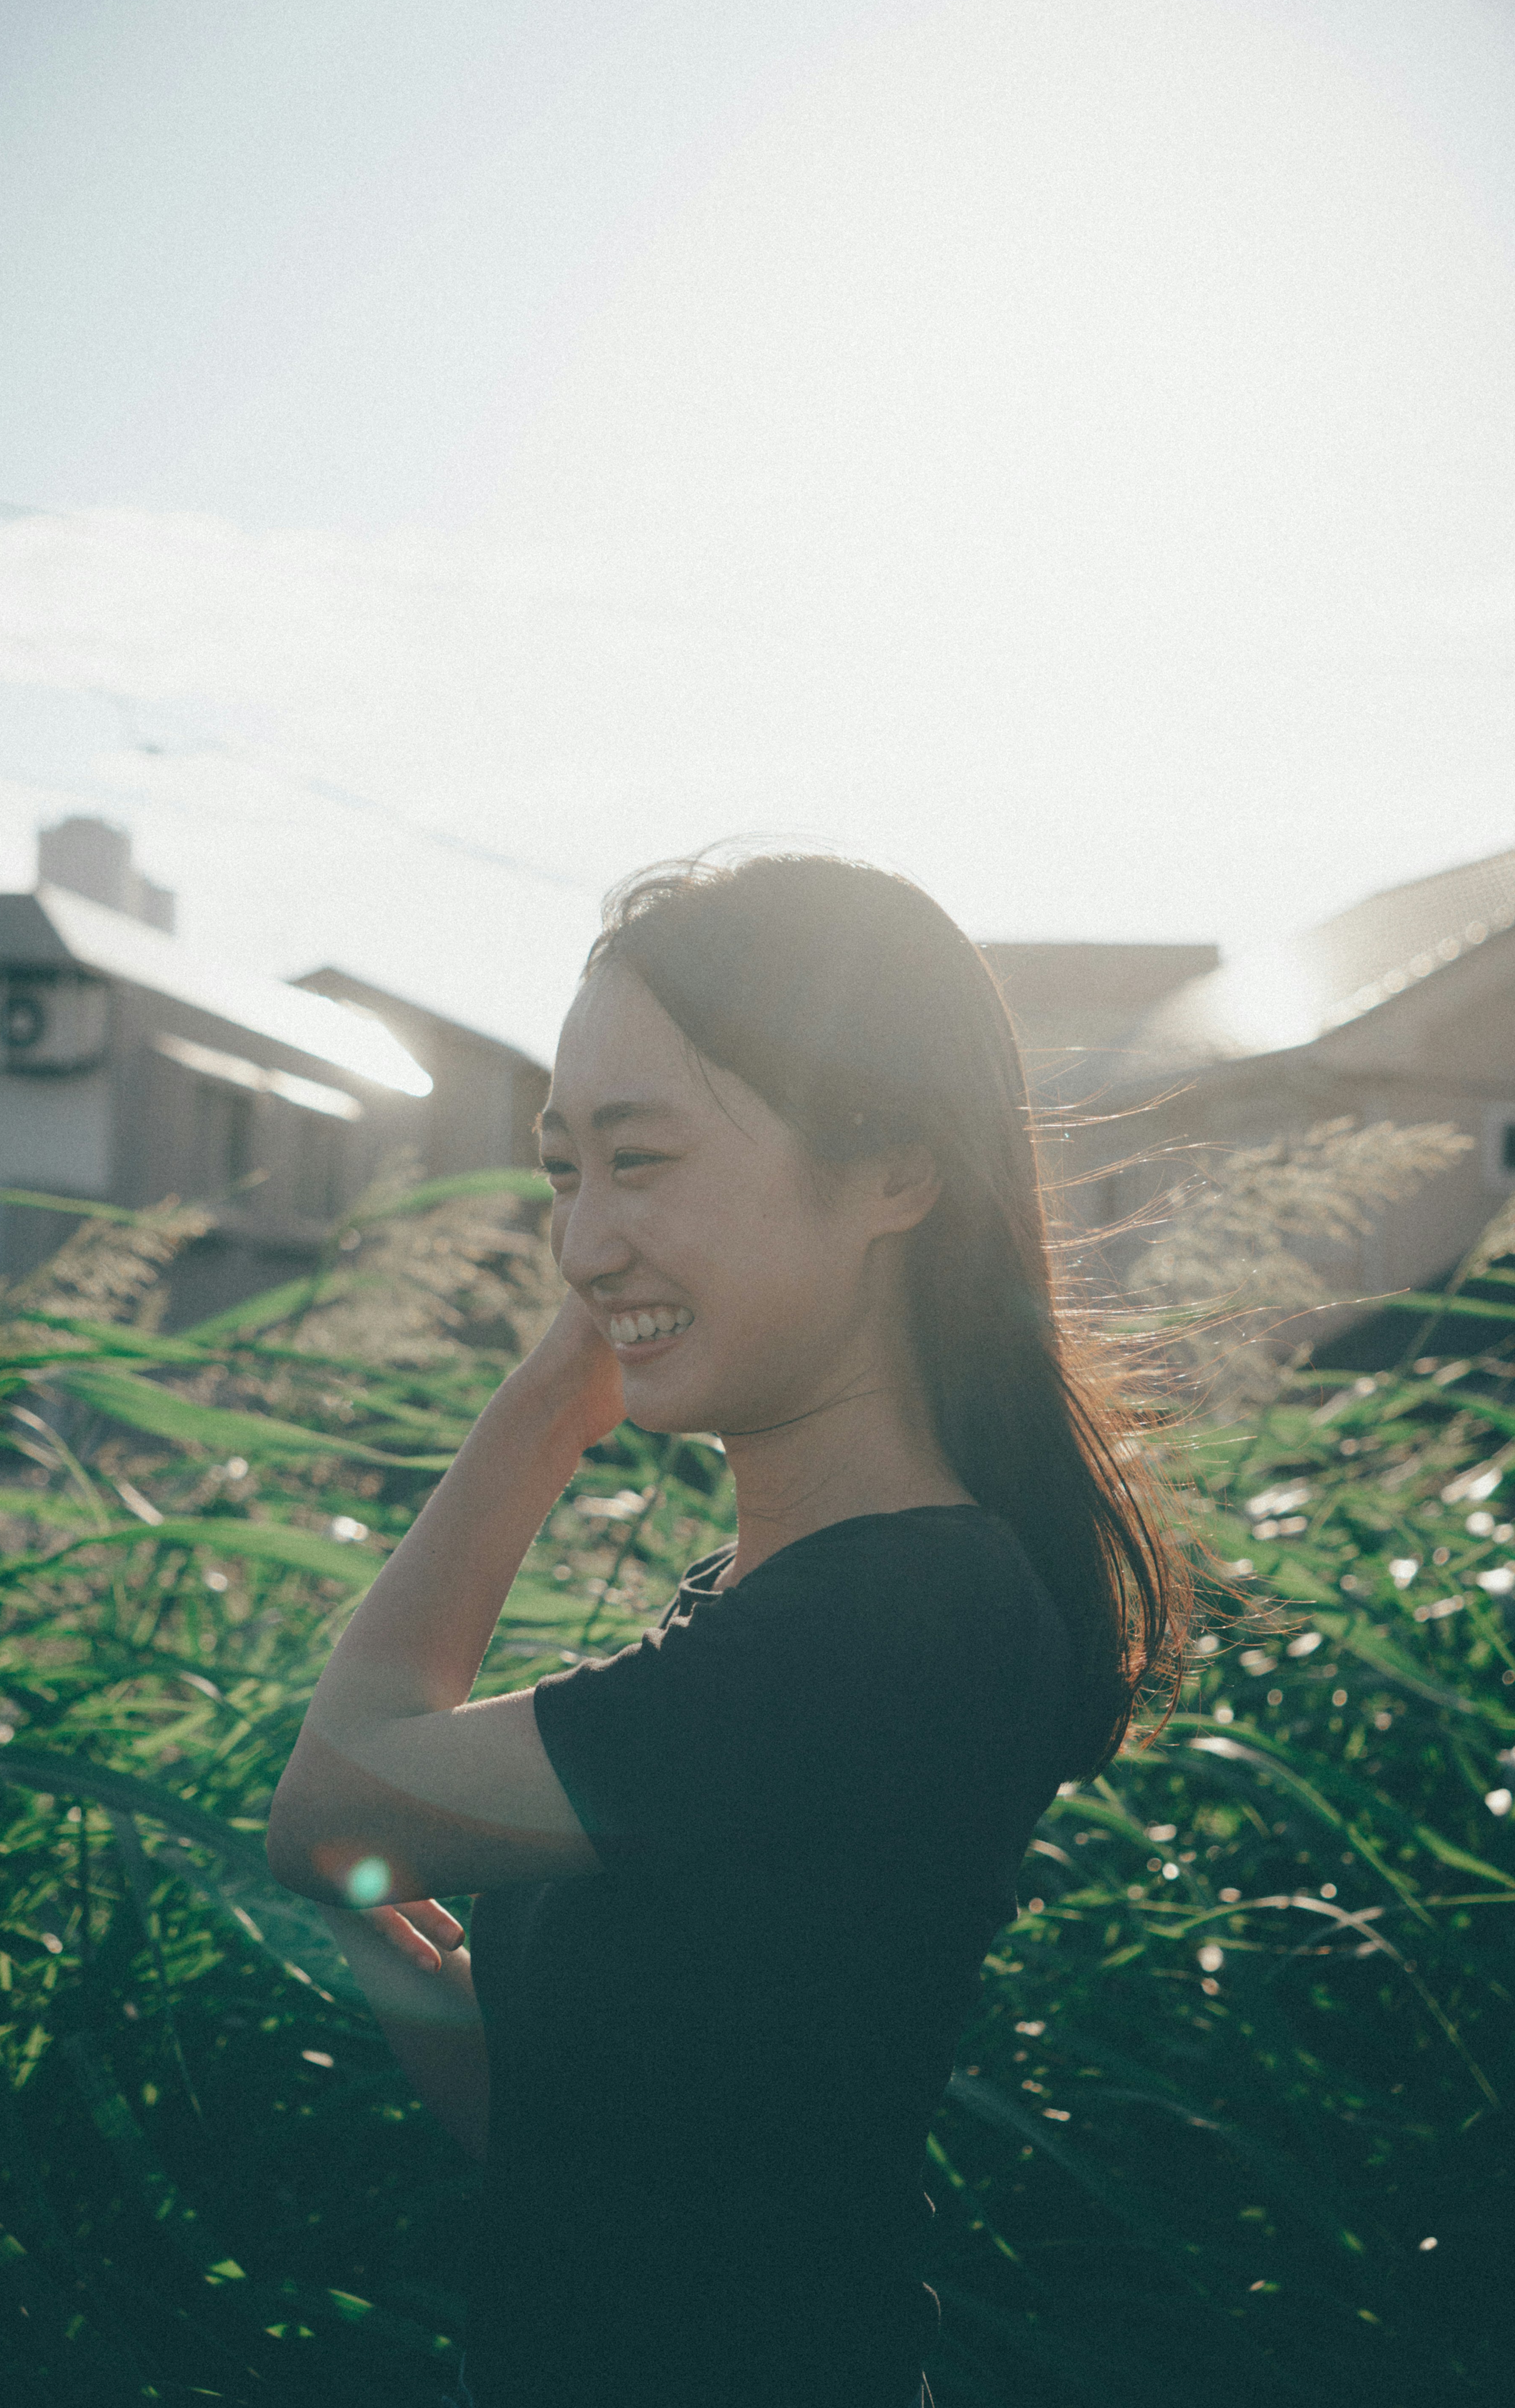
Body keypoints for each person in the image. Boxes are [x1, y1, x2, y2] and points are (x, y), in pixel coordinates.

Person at [266, 850, 1191, 2408]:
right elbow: (590, 2149)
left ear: (896, 1168)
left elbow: (330, 1806)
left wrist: (553, 1401)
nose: (581, 1244)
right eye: (565, 1171)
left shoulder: (891, 1625)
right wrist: (391, 1920)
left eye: (643, 1160)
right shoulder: (788, 1610)